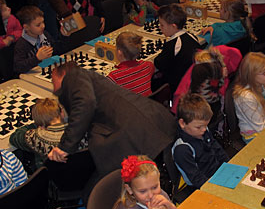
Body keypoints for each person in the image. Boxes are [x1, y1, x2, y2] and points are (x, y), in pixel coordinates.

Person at [46, 61, 176, 175]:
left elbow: (85, 104)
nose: (52, 87)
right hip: (150, 127)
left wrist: (65, 146)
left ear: (62, 74)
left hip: (136, 135)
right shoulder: (90, 81)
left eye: (53, 80)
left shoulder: (74, 75)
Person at [172, 93, 228, 189]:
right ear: (182, 123)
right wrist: (214, 188)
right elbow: (196, 178)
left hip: (218, 173)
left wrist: (229, 165)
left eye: (206, 125)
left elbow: (217, 149)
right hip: (202, 185)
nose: (204, 129)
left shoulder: (202, 131)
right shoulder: (182, 149)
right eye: (199, 127)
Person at [9, 98, 81, 169]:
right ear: (62, 113)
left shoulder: (35, 136)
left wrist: (36, 125)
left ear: (39, 124)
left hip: (53, 177)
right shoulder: (80, 130)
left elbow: (14, 137)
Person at [232, 52, 265, 142]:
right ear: (251, 75)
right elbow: (260, 127)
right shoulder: (245, 97)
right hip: (254, 135)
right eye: (264, 72)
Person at [154, 4, 202, 92]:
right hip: (193, 79)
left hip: (178, 84)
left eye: (162, 25)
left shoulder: (173, 44)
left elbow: (159, 63)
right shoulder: (191, 36)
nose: (160, 28)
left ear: (173, 26)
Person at [13, 5, 61, 74]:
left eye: (43, 22)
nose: (43, 26)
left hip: (47, 69)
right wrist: (37, 58)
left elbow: (57, 50)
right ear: (26, 27)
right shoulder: (21, 44)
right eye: (38, 25)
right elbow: (18, 67)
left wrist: (63, 36)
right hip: (32, 76)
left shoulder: (44, 34)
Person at [107, 31, 155, 96]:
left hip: (128, 106)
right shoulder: (148, 66)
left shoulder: (114, 77)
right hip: (147, 105)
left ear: (119, 52)